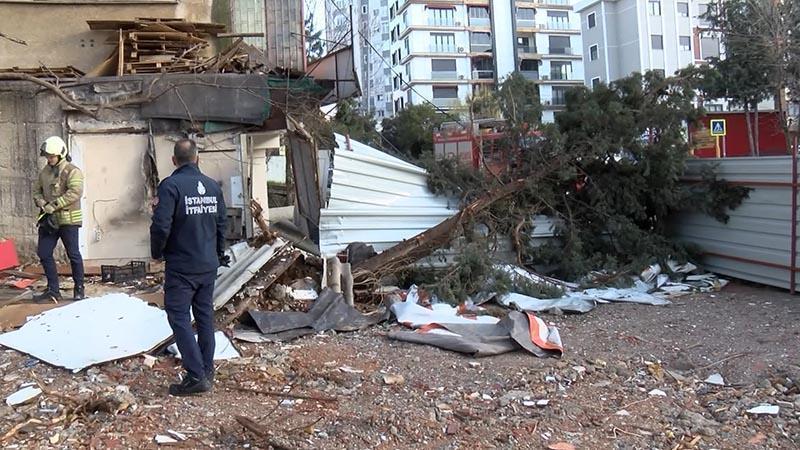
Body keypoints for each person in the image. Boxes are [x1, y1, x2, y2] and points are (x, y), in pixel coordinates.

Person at [150, 138, 229, 396]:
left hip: (182, 266)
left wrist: (157, 253)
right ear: (197, 158)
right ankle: (206, 370)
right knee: (205, 317)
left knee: (179, 317)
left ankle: (196, 375)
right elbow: (222, 224)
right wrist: (218, 253)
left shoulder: (170, 186)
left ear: (174, 160)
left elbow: (161, 225)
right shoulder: (212, 187)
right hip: (207, 265)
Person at [32, 136, 85, 303]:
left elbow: (75, 192)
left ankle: (79, 288)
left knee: (73, 254)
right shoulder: (45, 172)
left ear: (61, 154)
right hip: (49, 221)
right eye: (47, 156)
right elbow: (36, 191)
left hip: (68, 220)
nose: (49, 159)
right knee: (44, 253)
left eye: (52, 156)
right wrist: (41, 202)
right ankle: (53, 290)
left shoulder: (73, 171)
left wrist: (53, 205)